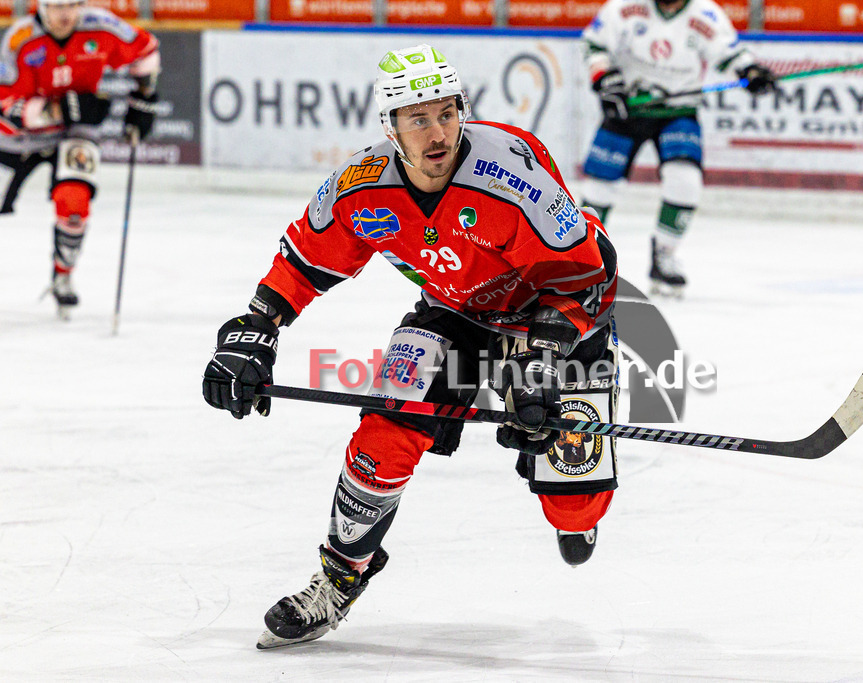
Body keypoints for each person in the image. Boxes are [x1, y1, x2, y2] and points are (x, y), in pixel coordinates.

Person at [202, 44, 620, 649]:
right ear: (390, 127)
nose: (437, 131)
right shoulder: (362, 187)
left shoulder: (511, 178)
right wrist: (256, 327)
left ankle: (565, 489)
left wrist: (540, 362)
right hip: (457, 315)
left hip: (554, 317)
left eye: (446, 113)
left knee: (575, 507)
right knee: (385, 433)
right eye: (417, 118)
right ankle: (340, 576)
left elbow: (592, 275)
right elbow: (304, 260)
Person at [580, 0, 776, 295]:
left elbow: (730, 52)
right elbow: (594, 44)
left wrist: (750, 70)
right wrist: (605, 78)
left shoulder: (705, 14)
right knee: (599, 189)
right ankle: (581, 258)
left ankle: (665, 256)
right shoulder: (625, 7)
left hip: (677, 112)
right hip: (628, 109)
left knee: (685, 182)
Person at [0, 0, 160, 318]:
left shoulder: (102, 26)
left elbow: (147, 50)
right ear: (41, 7)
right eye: (57, 6)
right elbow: (5, 104)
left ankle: (63, 275)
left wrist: (144, 98)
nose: (65, 14)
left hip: (76, 132)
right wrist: (58, 110)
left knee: (74, 202)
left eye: (73, 4)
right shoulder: (20, 40)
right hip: (18, 139)